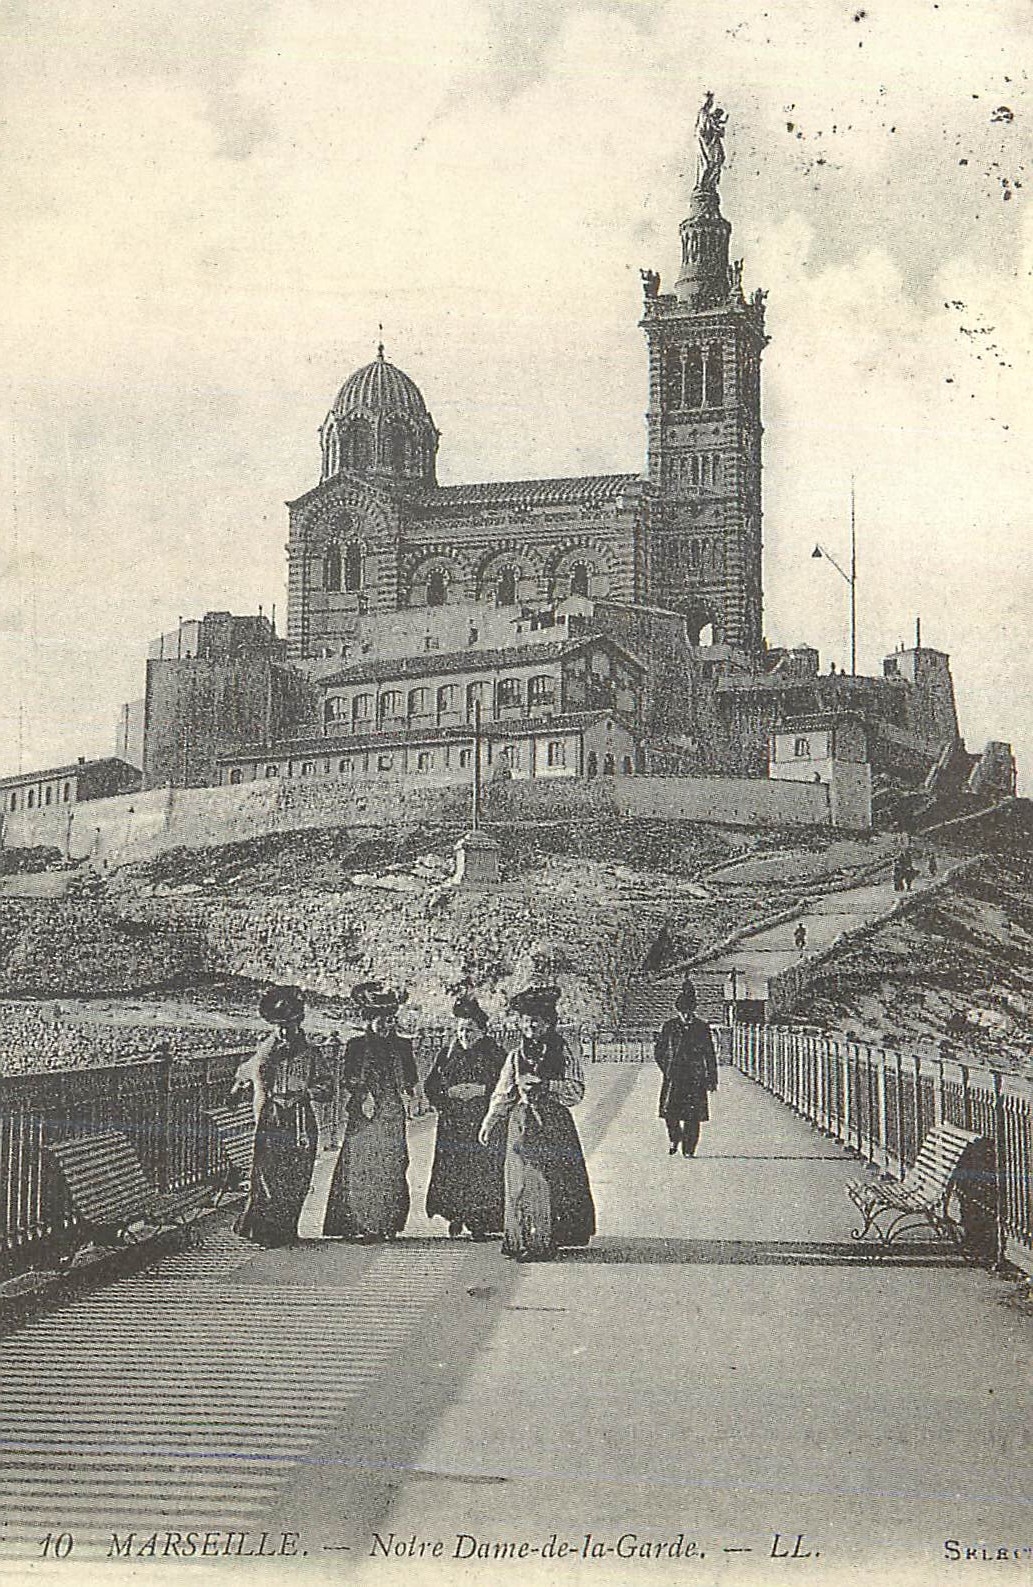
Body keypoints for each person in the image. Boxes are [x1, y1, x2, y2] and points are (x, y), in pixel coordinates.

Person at [478, 986, 595, 1262]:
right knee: (521, 1179)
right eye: (526, 1021)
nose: (531, 1026)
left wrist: (548, 1086)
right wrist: (490, 1121)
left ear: (549, 1024)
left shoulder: (563, 1052)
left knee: (552, 1180)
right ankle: (523, 1237)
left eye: (537, 1022)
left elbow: (576, 1090)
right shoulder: (515, 1056)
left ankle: (547, 1236)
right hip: (522, 1122)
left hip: (553, 1123)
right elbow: (503, 1091)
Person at [231, 985, 326, 1247]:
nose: (284, 1031)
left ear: (298, 1024)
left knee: (297, 1173)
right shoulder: (265, 1049)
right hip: (271, 1117)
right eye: (280, 1026)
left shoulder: (311, 1053)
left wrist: (309, 1092)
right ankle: (262, 1229)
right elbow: (245, 1070)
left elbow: (327, 1086)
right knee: (267, 1172)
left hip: (300, 1117)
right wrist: (239, 1088)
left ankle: (286, 1228)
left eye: (290, 1025)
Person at [322, 981, 418, 1243]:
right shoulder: (356, 1046)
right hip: (363, 1114)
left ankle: (386, 1223)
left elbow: (411, 1079)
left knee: (391, 1165)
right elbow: (347, 1078)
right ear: (370, 1020)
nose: (388, 1026)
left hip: (391, 1113)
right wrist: (364, 1094)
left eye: (391, 1020)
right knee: (362, 1167)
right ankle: (362, 1223)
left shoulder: (403, 1046)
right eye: (382, 1021)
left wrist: (410, 1095)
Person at [424, 995, 506, 1239]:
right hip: (454, 1121)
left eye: (470, 1030)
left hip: (482, 1119)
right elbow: (431, 1085)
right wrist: (447, 1096)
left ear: (482, 1031)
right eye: (460, 1030)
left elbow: (506, 1085)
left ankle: (480, 1220)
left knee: (482, 1169)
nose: (464, 1035)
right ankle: (456, 1215)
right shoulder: (448, 1052)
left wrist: (482, 1090)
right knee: (454, 1169)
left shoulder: (495, 1053)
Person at [654, 982, 718, 1157]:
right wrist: (666, 1068)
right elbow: (659, 1051)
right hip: (674, 1076)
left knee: (693, 1116)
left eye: (689, 1012)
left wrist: (712, 1078)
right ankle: (675, 1137)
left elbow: (710, 1054)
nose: (686, 1015)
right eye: (683, 1012)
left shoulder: (701, 1027)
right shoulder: (669, 1026)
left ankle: (689, 1149)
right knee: (670, 1114)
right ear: (678, 1011)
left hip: (695, 1077)